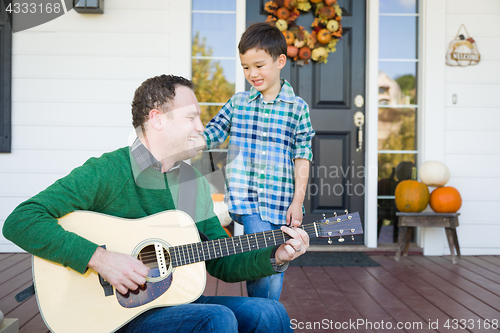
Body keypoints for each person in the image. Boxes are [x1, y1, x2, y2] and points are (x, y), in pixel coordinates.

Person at [2, 74, 310, 333]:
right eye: (192, 117)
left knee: (270, 312)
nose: (202, 127)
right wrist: (100, 259)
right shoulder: (108, 170)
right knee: (217, 318)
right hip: (116, 313)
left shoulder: (191, 183)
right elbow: (21, 220)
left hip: (174, 300)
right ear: (157, 119)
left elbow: (220, 259)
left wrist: (276, 255)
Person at [196, 22, 315, 301]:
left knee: (275, 268)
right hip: (249, 201)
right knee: (263, 264)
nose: (252, 74)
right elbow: (211, 134)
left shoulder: (297, 108)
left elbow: (302, 156)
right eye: (246, 67)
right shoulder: (239, 103)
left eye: (259, 65)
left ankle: (263, 316)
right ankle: (264, 316)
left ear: (280, 61)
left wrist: (298, 201)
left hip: (282, 202)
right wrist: (184, 138)